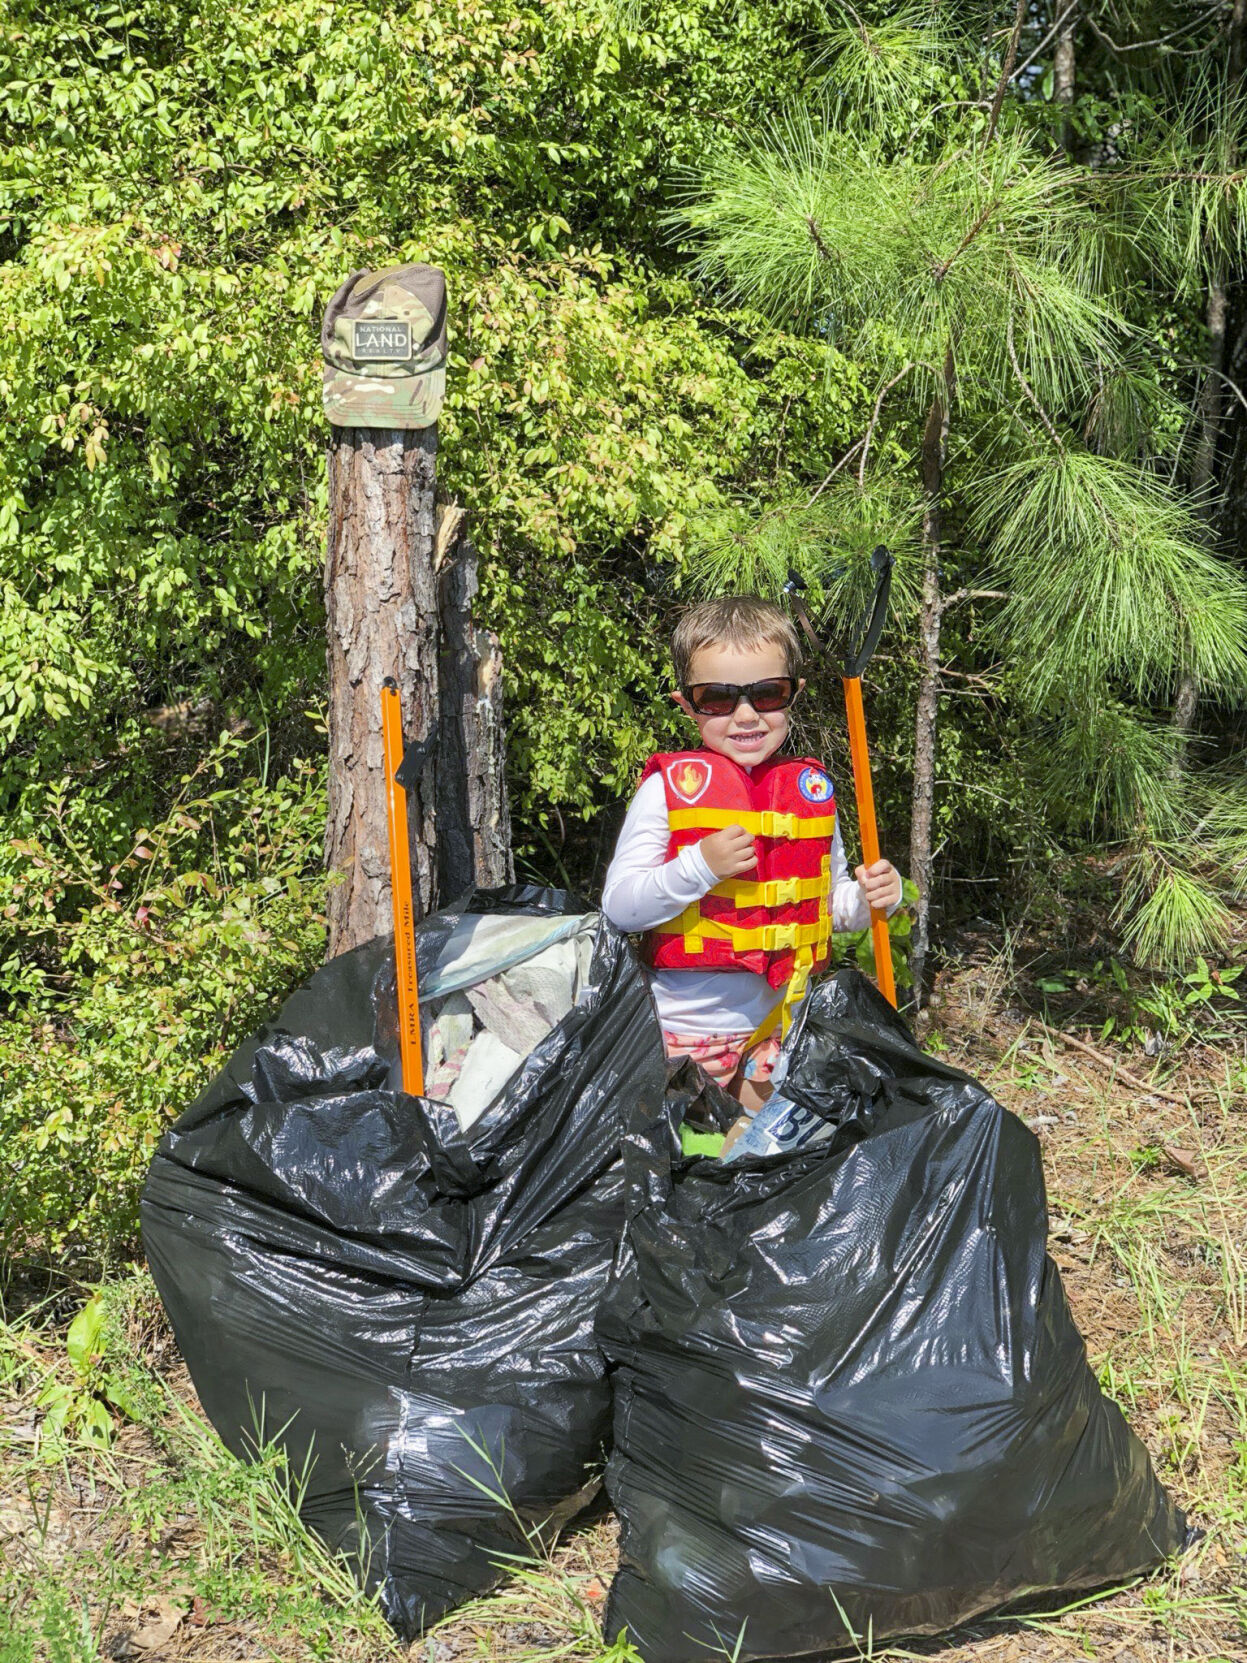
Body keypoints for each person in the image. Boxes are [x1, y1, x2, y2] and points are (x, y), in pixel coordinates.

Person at [602, 595, 904, 1113]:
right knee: (696, 1166)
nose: (745, 715)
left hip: (780, 1032)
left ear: (793, 695)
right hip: (681, 1037)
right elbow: (621, 907)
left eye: (766, 693)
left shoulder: (808, 790)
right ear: (686, 704)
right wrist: (699, 866)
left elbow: (830, 908)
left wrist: (875, 899)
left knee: (773, 1163)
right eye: (718, 698)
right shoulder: (668, 790)